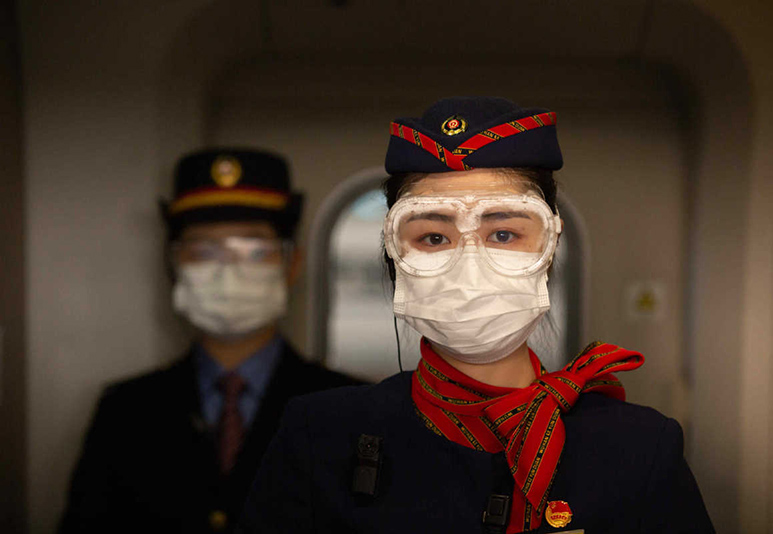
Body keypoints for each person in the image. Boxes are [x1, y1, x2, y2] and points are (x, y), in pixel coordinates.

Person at [237, 98, 715, 533]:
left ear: (549, 250)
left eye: (503, 235)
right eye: (434, 237)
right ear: (394, 255)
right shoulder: (319, 435)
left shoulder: (640, 448)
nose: (469, 267)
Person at [60, 149, 364, 534]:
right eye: (204, 251)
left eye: (255, 250)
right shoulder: (123, 412)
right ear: (174, 267)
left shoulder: (351, 410)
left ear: (292, 265)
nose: (227, 270)